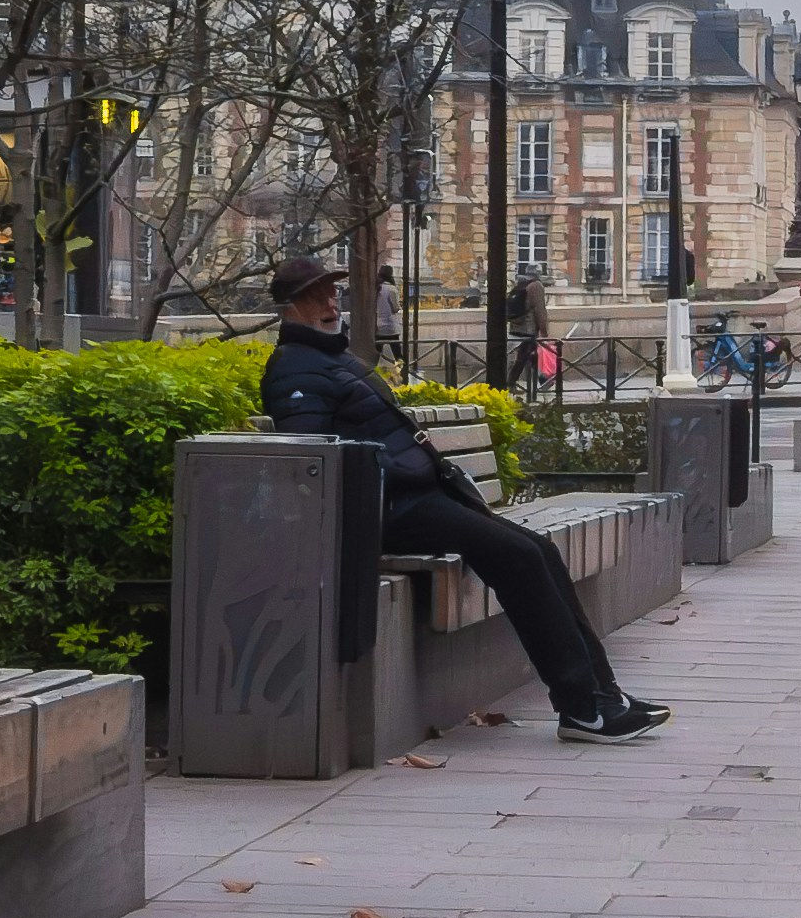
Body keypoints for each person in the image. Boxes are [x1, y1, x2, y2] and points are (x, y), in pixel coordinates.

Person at [259, 257, 667, 744]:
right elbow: (316, 460)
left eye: (332, 292)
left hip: (421, 497)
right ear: (291, 306)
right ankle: (581, 708)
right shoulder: (293, 369)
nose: (331, 303)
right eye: (317, 295)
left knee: (539, 550)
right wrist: (398, 471)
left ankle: (603, 698)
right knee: (518, 557)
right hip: (389, 510)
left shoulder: (331, 358)